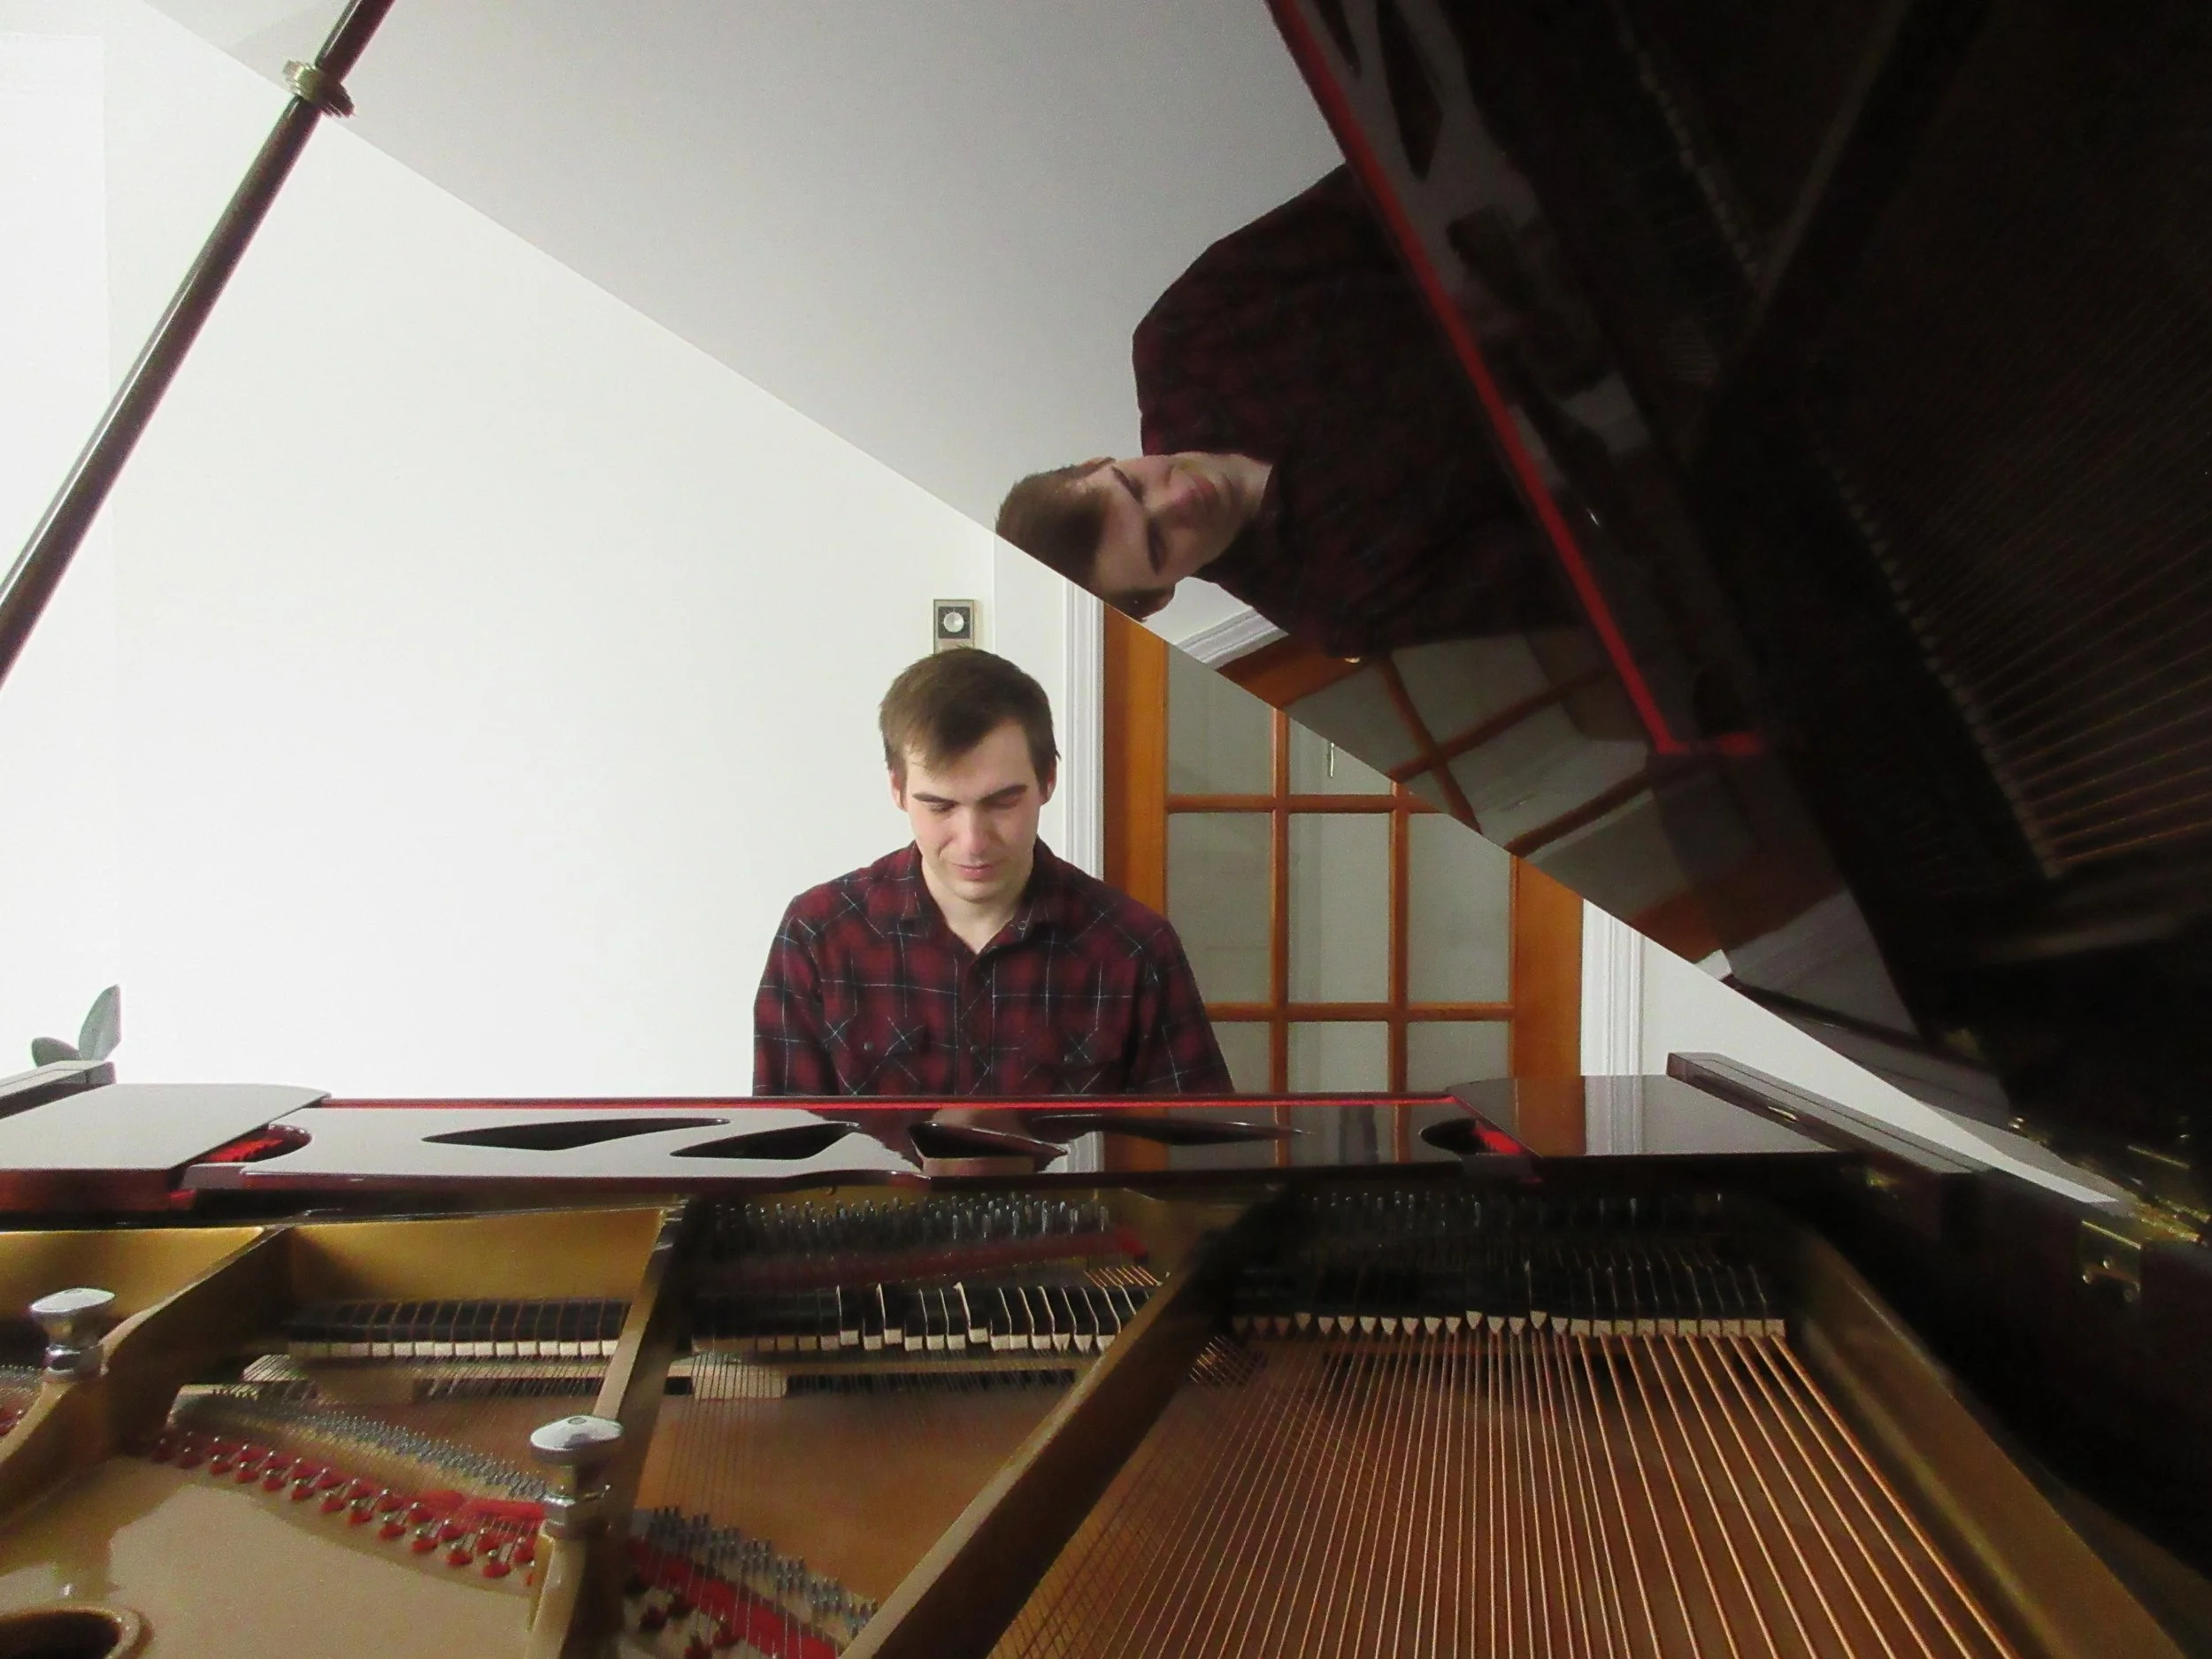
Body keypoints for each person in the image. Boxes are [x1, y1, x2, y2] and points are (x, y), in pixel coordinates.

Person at [995, 167, 1568, 659]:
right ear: (1161, 595)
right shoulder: (1337, 606)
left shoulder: (1182, 337)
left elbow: (1369, 190)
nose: (1178, 500)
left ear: (1098, 461)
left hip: (1535, 203)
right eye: (1157, 544)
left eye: (1132, 486)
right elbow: (1573, 563)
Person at [753, 649, 1232, 1096]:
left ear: (1048, 780)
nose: (974, 841)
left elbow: (1195, 1162)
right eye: (940, 807)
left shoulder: (1135, 947)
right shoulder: (818, 933)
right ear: (897, 789)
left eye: (1002, 803)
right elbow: (789, 1155)